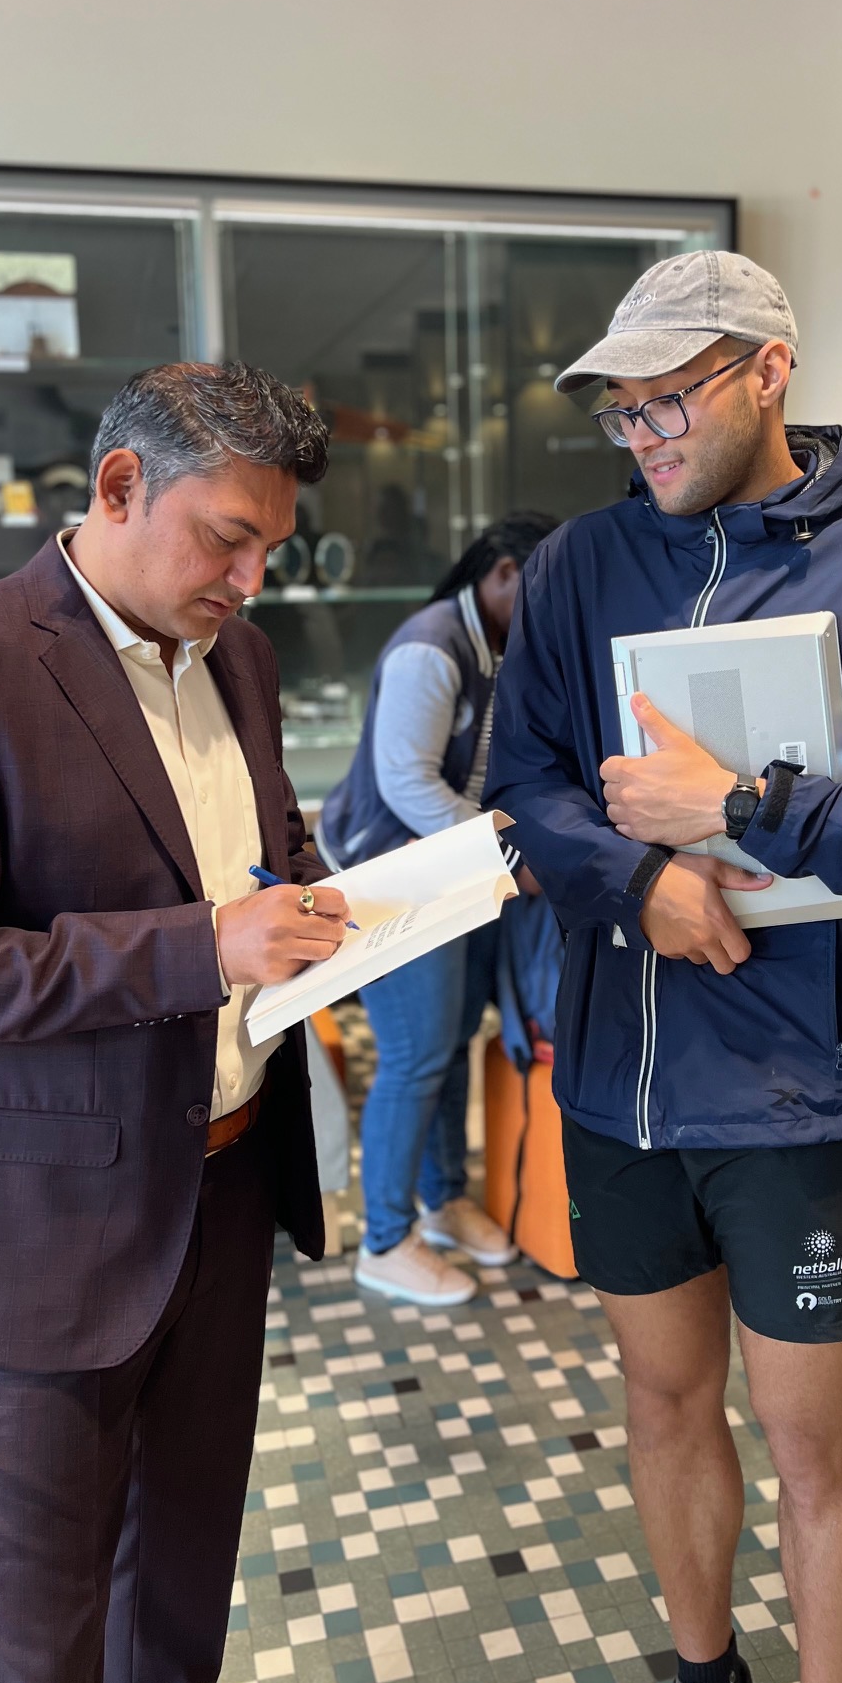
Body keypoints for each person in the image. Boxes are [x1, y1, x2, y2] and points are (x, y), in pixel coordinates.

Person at [486, 251, 842, 1683]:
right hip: (618, 1078)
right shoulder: (583, 568)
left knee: (814, 1439)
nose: (646, 433)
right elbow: (520, 782)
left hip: (804, 1089)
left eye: (671, 399)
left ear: (768, 372)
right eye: (623, 412)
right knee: (662, 1403)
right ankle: (707, 1680)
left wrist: (750, 803)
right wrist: (639, 882)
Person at [0, 361, 352, 1683]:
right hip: (40, 1225)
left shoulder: (237, 654)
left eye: (271, 549)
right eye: (226, 538)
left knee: (177, 1610)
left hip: (222, 1190)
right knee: (32, 1661)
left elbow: (255, 851)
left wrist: (323, 900)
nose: (250, 579)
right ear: (119, 486)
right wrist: (206, 944)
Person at [318, 512, 556, 1305]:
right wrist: (509, 857)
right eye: (540, 587)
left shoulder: (498, 645)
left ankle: (444, 1199)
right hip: (394, 878)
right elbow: (408, 783)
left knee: (453, 1039)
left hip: (449, 871)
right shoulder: (431, 645)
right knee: (416, 1054)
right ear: (501, 572)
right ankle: (384, 1240)